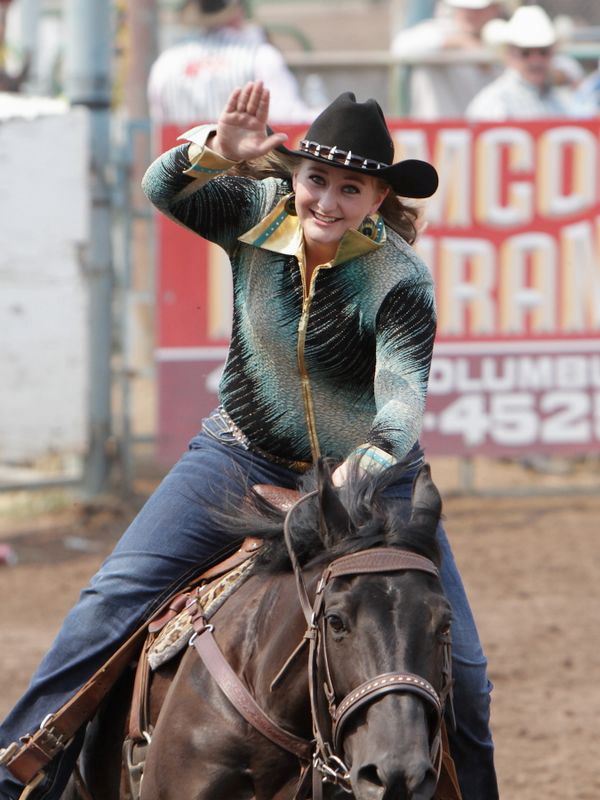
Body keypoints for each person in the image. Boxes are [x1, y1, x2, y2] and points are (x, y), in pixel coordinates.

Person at [0, 80, 498, 800]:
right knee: (111, 601)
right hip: (240, 453)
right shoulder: (254, 213)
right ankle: (20, 767)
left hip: (371, 482)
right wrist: (210, 152)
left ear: (379, 198)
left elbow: (400, 399)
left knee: (468, 680)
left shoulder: (399, 280)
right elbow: (162, 188)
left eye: (349, 189)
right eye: (315, 179)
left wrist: (356, 472)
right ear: (294, 175)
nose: (326, 201)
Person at [147, 0, 323, 125]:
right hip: (244, 171)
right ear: (237, 10)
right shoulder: (260, 56)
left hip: (182, 172)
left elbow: (159, 125)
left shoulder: (165, 63)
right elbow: (288, 119)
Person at [466, 4, 585, 120]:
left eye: (543, 52)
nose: (536, 60)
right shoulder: (495, 103)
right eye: (525, 53)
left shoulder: (561, 98)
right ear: (509, 54)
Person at [390, 0, 505, 119]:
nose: (470, 13)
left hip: (479, 129)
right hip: (435, 129)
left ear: (495, 9)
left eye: (478, 9)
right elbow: (399, 47)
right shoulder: (435, 31)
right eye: (464, 7)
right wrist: (460, 42)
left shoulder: (504, 40)